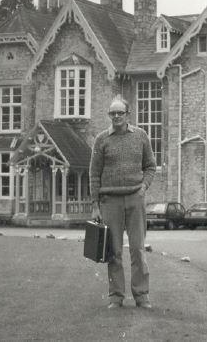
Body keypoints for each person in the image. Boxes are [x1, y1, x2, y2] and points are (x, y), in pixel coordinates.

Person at [89, 95, 156, 309]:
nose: (116, 116)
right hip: (110, 201)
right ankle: (116, 297)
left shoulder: (141, 136)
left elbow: (150, 166)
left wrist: (143, 188)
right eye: (112, 113)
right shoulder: (101, 139)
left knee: (137, 249)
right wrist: (95, 206)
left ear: (128, 114)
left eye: (120, 113)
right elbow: (94, 174)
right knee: (114, 252)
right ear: (109, 115)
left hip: (135, 199)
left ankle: (142, 295)